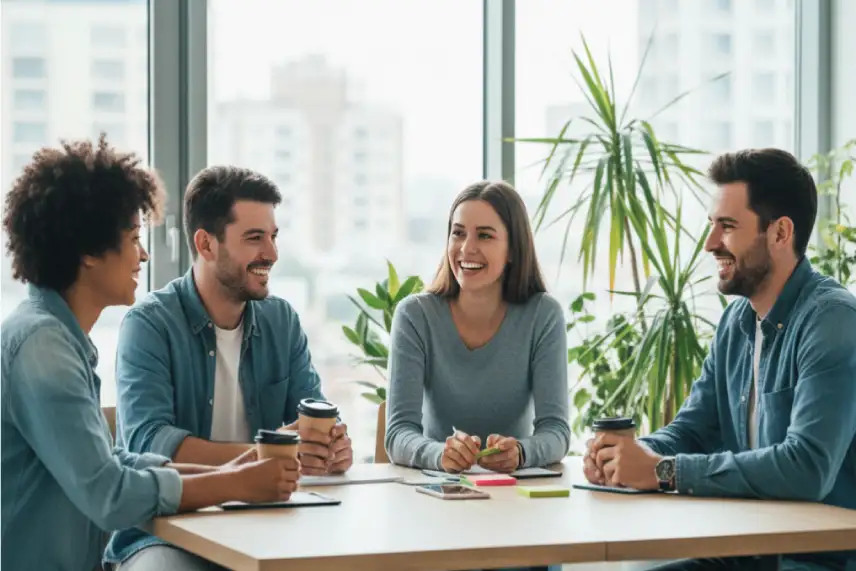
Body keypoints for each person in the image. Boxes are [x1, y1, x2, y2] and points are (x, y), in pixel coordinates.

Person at [0, 137, 299, 571]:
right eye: (133, 238)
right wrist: (236, 482)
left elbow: (117, 461)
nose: (142, 254)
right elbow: (110, 493)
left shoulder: (57, 338)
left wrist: (243, 467)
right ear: (88, 250)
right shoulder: (43, 348)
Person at [584, 149, 856, 571]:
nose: (710, 244)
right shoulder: (736, 321)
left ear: (781, 233)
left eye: (727, 227)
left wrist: (662, 472)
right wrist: (627, 456)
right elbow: (693, 429)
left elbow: (807, 468)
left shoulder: (832, 320)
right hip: (749, 551)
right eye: (712, 225)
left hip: (816, 560)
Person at [105, 165, 353, 569]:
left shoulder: (282, 321)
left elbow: (314, 416)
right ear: (206, 244)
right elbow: (149, 444)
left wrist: (330, 447)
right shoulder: (149, 324)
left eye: (273, 237)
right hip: (166, 534)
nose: (271, 253)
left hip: (271, 527)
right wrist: (264, 459)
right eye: (254, 238)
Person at [385, 180, 570, 475]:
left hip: (516, 494)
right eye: (458, 233)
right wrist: (439, 454)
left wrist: (522, 452)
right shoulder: (414, 316)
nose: (467, 248)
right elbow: (398, 433)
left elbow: (557, 431)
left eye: (485, 236)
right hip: (438, 491)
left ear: (512, 249)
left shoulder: (544, 316)